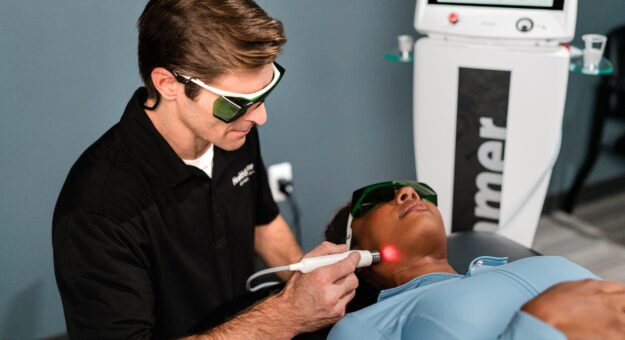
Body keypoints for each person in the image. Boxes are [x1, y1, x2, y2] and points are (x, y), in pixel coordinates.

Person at [52, 1, 360, 338]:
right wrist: (288, 313)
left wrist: (310, 279)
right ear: (168, 83)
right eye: (237, 104)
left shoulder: (232, 135)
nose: (259, 117)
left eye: (265, 92)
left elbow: (263, 221)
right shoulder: (98, 211)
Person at [324, 180, 625, 340]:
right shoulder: (364, 326)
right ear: (355, 255)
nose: (408, 192)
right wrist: (540, 324)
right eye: (375, 199)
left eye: (419, 192)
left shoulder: (518, 264)